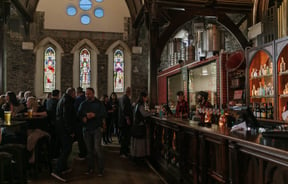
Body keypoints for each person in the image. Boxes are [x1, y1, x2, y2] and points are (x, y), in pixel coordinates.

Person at [78, 87, 106, 176]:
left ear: (93, 94)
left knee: (97, 149)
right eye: (86, 94)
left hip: (96, 128)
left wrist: (95, 115)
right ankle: (90, 168)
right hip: (86, 129)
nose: (87, 95)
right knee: (89, 150)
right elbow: (78, 115)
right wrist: (84, 117)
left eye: (89, 94)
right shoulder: (83, 104)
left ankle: (101, 170)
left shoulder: (99, 103)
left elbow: (104, 114)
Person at [51, 88, 76, 182]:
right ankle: (57, 170)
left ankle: (64, 168)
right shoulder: (67, 101)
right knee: (67, 149)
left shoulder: (62, 99)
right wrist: (71, 131)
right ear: (72, 94)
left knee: (65, 148)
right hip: (65, 130)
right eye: (75, 94)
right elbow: (67, 117)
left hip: (60, 128)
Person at [130, 91, 154, 162]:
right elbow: (144, 114)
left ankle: (135, 155)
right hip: (139, 126)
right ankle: (139, 157)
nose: (147, 98)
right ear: (143, 97)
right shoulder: (140, 105)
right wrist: (152, 112)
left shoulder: (137, 104)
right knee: (140, 143)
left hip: (135, 125)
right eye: (146, 97)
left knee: (137, 142)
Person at [118, 87, 133, 158]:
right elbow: (124, 110)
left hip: (123, 121)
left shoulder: (122, 98)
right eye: (130, 91)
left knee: (125, 137)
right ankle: (123, 152)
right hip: (124, 122)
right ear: (128, 92)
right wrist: (128, 119)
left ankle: (125, 151)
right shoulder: (125, 99)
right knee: (125, 137)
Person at [46, 89, 61, 159]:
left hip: (49, 123)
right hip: (56, 123)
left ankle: (51, 154)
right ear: (58, 94)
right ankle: (55, 155)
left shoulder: (48, 101)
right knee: (56, 141)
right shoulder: (58, 102)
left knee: (52, 140)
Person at [73, 87, 87, 160]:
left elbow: (75, 111)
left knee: (80, 139)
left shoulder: (78, 99)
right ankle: (87, 152)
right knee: (85, 138)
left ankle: (82, 154)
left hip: (79, 122)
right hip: (87, 121)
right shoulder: (86, 99)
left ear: (77, 92)